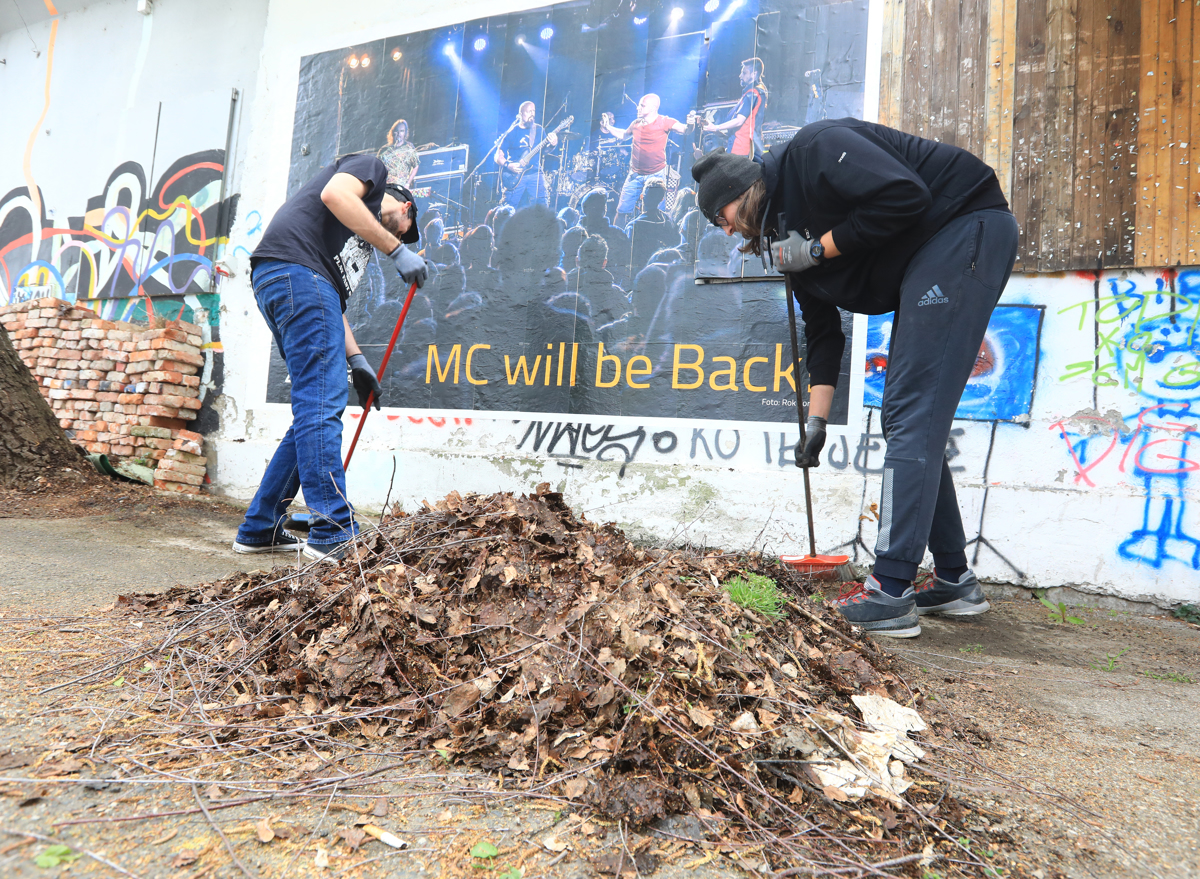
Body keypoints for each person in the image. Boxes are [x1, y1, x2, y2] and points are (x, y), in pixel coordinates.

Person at [691, 120, 1018, 638]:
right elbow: (823, 335)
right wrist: (816, 423)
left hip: (963, 225)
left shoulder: (813, 150)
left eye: (721, 216)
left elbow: (904, 196)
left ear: (739, 193)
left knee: (910, 412)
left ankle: (889, 593)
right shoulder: (784, 244)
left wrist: (819, 248)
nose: (727, 230)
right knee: (912, 418)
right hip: (931, 255)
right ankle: (954, 579)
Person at [234, 153, 428, 561]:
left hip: (285, 280)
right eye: (407, 231)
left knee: (311, 410)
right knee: (320, 406)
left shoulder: (351, 244)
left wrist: (357, 361)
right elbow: (335, 193)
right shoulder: (371, 170)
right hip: (294, 275)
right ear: (405, 207)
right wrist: (397, 251)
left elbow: (329, 305)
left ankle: (260, 526)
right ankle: (332, 530)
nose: (403, 237)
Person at [600, 94, 694, 227]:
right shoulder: (636, 124)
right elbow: (623, 135)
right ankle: (616, 239)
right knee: (621, 211)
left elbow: (685, 130)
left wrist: (690, 124)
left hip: (656, 175)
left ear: (653, 108)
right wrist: (608, 127)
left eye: (642, 105)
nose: (638, 107)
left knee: (653, 213)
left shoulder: (664, 121)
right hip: (635, 175)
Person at [495, 101, 559, 209]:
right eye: (529, 111)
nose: (532, 114)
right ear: (520, 114)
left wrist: (553, 145)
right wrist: (508, 165)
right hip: (515, 175)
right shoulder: (512, 132)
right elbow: (498, 156)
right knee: (508, 208)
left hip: (535, 173)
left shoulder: (539, 130)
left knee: (542, 207)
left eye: (533, 111)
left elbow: (544, 152)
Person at [703, 57, 768, 159]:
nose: (740, 76)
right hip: (744, 148)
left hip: (741, 149)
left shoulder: (752, 94)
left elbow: (739, 121)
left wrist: (716, 127)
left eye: (744, 73)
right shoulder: (756, 92)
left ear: (754, 74)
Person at [625, 181, 682, 276]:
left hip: (640, 275)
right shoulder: (668, 220)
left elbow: (627, 257)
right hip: (665, 273)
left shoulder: (633, 226)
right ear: (662, 199)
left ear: (642, 196)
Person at [378, 119, 420, 188]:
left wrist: (408, 183)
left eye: (402, 131)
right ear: (392, 132)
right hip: (386, 187)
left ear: (405, 133)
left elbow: (416, 166)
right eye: (396, 131)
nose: (399, 134)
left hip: (401, 187)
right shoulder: (384, 150)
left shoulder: (409, 148)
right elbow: (377, 168)